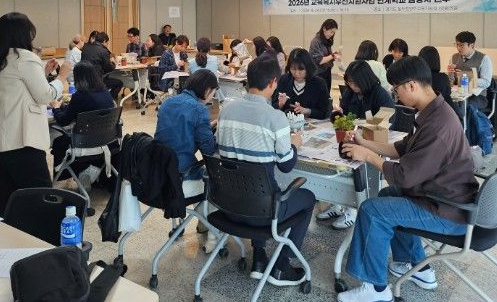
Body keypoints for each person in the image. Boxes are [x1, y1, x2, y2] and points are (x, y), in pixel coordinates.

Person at [338, 56, 479, 302]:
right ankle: (415, 266)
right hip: (444, 197)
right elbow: (401, 148)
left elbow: (404, 176)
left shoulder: (437, 126)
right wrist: (364, 142)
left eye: (397, 89)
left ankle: (376, 291)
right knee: (386, 196)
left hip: (447, 210)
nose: (395, 95)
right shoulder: (433, 111)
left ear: (411, 85)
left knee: (372, 210)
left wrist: (368, 156)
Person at [217, 56, 315, 286]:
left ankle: (259, 257)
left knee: (253, 189)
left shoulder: (226, 110)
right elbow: (286, 165)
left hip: (227, 206)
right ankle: (282, 265)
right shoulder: (275, 117)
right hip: (262, 212)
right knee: (308, 198)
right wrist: (294, 144)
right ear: (273, 82)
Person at [0, 12, 72, 214]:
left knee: (10, 196)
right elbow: (45, 96)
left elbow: (18, 88)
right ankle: (43, 234)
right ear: (24, 34)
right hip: (22, 139)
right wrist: (61, 76)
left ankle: (10, 232)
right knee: (41, 195)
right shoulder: (25, 58)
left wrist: (43, 72)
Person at [318, 60, 395, 230]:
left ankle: (352, 209)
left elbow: (389, 119)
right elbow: (344, 115)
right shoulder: (350, 93)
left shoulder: (379, 94)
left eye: (355, 83)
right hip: (351, 137)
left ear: (365, 80)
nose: (352, 87)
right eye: (349, 83)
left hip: (372, 142)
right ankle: (338, 203)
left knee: (356, 170)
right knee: (337, 166)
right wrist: (338, 115)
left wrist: (363, 126)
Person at [154, 70, 218, 251]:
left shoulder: (167, 102)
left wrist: (206, 126)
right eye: (213, 93)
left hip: (157, 174)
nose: (212, 97)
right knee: (214, 180)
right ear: (207, 90)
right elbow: (208, 150)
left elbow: (176, 132)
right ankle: (213, 238)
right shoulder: (199, 110)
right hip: (180, 179)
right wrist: (209, 130)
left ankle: (192, 223)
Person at [50, 60, 115, 190]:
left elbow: (63, 120)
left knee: (58, 141)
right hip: (106, 141)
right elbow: (77, 109)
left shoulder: (80, 96)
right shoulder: (106, 92)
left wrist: (56, 108)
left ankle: (62, 179)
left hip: (84, 144)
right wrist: (65, 107)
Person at [272, 48, 330, 119]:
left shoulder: (319, 84)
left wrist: (307, 111)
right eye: (293, 69)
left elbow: (325, 112)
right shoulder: (284, 80)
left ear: (308, 67)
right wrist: (280, 104)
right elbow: (273, 107)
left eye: (301, 69)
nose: (297, 73)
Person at [447, 31, 493, 109]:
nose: (458, 48)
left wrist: (467, 77)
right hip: (458, 93)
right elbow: (451, 82)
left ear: (472, 45)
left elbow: (486, 82)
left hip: (477, 96)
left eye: (461, 45)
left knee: (467, 107)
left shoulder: (484, 59)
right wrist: (450, 73)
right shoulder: (453, 57)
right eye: (457, 45)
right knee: (446, 104)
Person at [81, 31, 123, 100]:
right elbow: (108, 69)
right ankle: (107, 100)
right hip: (97, 80)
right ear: (104, 41)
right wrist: (113, 64)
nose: (107, 45)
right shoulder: (103, 51)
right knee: (119, 83)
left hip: (85, 79)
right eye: (107, 43)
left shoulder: (85, 48)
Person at [418, 46, 459, 116]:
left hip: (422, 114)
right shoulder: (443, 77)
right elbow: (448, 94)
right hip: (443, 114)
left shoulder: (416, 79)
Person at [309, 18, 341, 92]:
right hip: (318, 74)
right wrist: (332, 55)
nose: (332, 34)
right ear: (324, 29)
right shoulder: (315, 41)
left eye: (333, 33)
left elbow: (327, 57)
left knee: (326, 95)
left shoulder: (326, 41)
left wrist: (334, 56)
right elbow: (319, 60)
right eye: (331, 32)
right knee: (319, 95)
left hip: (326, 72)